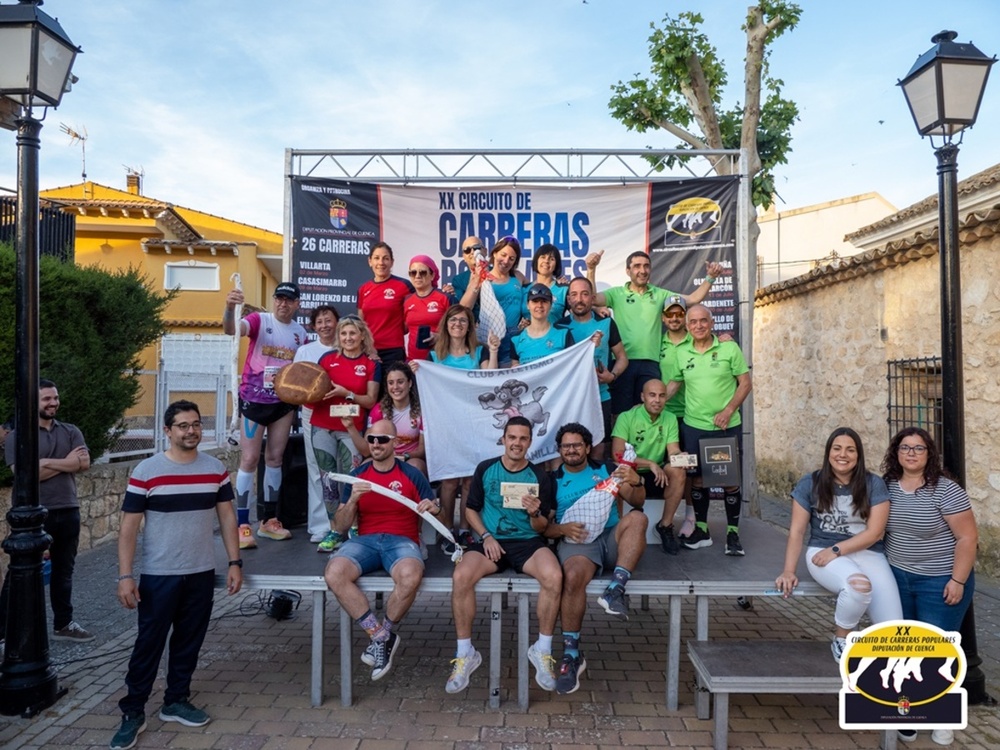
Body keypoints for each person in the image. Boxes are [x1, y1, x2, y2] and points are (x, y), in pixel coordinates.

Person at [110, 400, 242, 750]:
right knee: (148, 645)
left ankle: (175, 700)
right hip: (159, 575)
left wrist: (234, 562)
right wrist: (125, 576)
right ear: (167, 431)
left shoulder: (215, 468)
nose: (191, 431)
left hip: (200, 572)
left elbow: (228, 517)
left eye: (196, 424)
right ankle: (133, 711)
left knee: (189, 642)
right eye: (182, 425)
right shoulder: (147, 471)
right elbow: (128, 528)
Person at [445, 417, 561, 694]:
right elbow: (471, 509)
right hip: (491, 543)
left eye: (523, 438)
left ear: (530, 442)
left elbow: (544, 527)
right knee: (461, 575)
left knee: (554, 576)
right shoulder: (486, 468)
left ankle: (541, 650)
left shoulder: (540, 477)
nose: (517, 443)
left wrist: (534, 513)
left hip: (527, 542)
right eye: (512, 437)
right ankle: (465, 654)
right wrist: (486, 536)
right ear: (504, 439)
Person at [881, 427, 978, 747]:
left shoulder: (945, 490)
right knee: (903, 652)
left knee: (936, 650)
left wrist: (958, 580)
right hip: (897, 577)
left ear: (929, 454)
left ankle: (942, 717)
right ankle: (907, 716)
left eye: (918, 448)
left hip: (940, 580)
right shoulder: (886, 487)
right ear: (896, 452)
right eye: (905, 447)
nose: (911, 453)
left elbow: (967, 538)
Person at [323, 419, 439, 682]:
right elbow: (340, 526)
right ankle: (380, 636)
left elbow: (436, 513)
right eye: (371, 439)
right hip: (365, 541)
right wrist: (352, 499)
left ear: (395, 443)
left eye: (382, 439)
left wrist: (436, 509)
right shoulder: (356, 476)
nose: (375, 444)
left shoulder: (412, 474)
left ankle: (383, 636)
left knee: (410, 575)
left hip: (402, 540)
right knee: (334, 573)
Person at [775, 427, 902, 662]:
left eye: (850, 450)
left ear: (858, 455)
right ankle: (842, 639)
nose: (843, 454)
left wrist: (838, 550)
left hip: (866, 553)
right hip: (822, 553)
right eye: (837, 448)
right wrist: (789, 571)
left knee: (894, 633)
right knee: (858, 586)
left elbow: (875, 533)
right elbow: (797, 530)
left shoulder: (873, 483)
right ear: (828, 452)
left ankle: (881, 680)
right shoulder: (810, 483)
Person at [545, 423, 647, 694]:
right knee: (574, 577)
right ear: (559, 450)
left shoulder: (605, 470)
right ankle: (571, 654)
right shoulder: (552, 480)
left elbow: (637, 501)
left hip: (610, 538)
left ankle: (615, 590)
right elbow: (544, 527)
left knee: (638, 519)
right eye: (566, 446)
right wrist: (563, 529)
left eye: (577, 445)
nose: (571, 450)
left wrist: (636, 481)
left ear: (588, 448)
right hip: (577, 543)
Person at [0, 380, 93, 643]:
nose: (53, 403)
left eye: (55, 397)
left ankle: (63, 624)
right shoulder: (18, 436)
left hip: (68, 509)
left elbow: (84, 463)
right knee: (19, 572)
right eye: (46, 399)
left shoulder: (70, 430)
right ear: (33, 403)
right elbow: (25, 474)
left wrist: (46, 463)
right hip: (32, 514)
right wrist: (67, 463)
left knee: (64, 571)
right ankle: (3, 632)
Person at [585, 249, 721, 415]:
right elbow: (590, 298)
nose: (642, 270)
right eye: (637, 266)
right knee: (620, 415)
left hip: (651, 364)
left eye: (646, 266)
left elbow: (693, 299)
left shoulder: (659, 294)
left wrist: (710, 277)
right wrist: (591, 269)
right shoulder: (616, 293)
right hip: (622, 363)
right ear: (628, 271)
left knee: (650, 413)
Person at [664, 303, 752, 555]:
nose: (698, 326)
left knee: (728, 482)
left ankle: (732, 535)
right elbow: (674, 384)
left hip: (725, 427)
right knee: (698, 479)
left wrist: (728, 411)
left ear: (712, 323)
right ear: (687, 326)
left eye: (703, 321)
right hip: (693, 427)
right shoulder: (682, 353)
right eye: (693, 322)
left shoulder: (728, 348)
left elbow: (745, 384)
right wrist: (654, 402)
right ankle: (702, 531)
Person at [224, 282, 307, 545]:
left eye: (288, 300)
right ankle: (242, 523)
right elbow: (231, 330)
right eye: (279, 298)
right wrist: (229, 307)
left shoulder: (300, 333)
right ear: (274, 301)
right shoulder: (260, 320)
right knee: (249, 459)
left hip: (282, 403)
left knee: (274, 459)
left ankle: (269, 521)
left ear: (297, 304)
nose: (283, 303)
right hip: (254, 400)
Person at [413, 304, 500, 550]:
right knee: (449, 481)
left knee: (470, 482)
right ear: (446, 325)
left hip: (474, 424)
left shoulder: (478, 353)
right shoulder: (434, 356)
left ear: (470, 326)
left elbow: (490, 380)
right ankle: (447, 530)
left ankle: (465, 531)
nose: (458, 325)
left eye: (463, 321)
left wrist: (493, 351)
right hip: (446, 425)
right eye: (453, 320)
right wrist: (418, 371)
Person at [309, 316, 381, 551]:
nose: (348, 338)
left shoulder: (371, 363)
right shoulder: (327, 359)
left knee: (352, 479)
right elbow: (313, 390)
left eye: (352, 333)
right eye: (344, 334)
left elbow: (370, 400)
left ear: (362, 336)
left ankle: (355, 526)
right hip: (322, 425)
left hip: (351, 427)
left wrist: (346, 393)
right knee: (328, 480)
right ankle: (334, 530)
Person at [610, 379, 686, 554]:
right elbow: (617, 454)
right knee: (617, 470)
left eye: (661, 396)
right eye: (652, 395)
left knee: (678, 470)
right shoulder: (626, 417)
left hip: (657, 474)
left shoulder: (670, 417)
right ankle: (619, 529)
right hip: (633, 472)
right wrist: (649, 463)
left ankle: (665, 525)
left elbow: (673, 450)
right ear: (642, 397)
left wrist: (680, 457)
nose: (657, 400)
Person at [561, 277, 628, 461]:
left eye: (584, 294)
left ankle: (597, 488)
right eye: (574, 294)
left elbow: (622, 357)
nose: (579, 299)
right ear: (568, 300)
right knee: (571, 449)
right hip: (571, 399)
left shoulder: (606, 323)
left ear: (592, 298)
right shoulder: (560, 326)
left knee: (598, 449)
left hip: (601, 396)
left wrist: (612, 376)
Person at [292, 305, 341, 549]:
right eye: (319, 321)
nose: (324, 325)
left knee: (343, 470)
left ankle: (343, 524)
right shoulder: (305, 351)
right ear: (313, 326)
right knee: (317, 469)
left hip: (343, 414)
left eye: (329, 320)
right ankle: (321, 525)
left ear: (337, 322)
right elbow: (295, 384)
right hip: (313, 413)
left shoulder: (347, 345)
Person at [659, 295, 694, 538]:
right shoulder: (656, 342)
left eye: (679, 314)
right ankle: (662, 517)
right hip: (661, 415)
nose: (674, 318)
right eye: (670, 314)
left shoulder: (697, 340)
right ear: (663, 318)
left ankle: (690, 515)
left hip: (689, 415)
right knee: (664, 467)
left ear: (685, 317)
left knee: (688, 468)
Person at [459, 236, 525, 367]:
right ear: (494, 253)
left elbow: (535, 293)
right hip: (489, 336)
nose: (506, 261)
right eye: (503, 255)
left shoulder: (518, 276)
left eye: (511, 259)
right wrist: (477, 279)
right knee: (489, 379)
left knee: (510, 380)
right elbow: (464, 307)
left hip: (514, 336)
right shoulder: (482, 275)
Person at [355, 362, 426, 475]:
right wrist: (350, 427)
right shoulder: (378, 410)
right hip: (383, 457)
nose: (395, 387)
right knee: (364, 467)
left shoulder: (422, 410)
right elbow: (366, 450)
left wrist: (405, 456)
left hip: (409, 458)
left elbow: (422, 449)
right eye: (391, 383)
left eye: (400, 382)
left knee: (416, 466)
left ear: (410, 383)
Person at [357, 241, 413, 366]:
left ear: (392, 262)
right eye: (376, 258)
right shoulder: (363, 289)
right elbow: (360, 323)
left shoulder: (404, 286)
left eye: (385, 258)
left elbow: (411, 318)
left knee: (393, 386)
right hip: (368, 350)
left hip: (393, 351)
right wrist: (366, 348)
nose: (381, 263)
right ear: (370, 261)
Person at [509, 283, 576, 367]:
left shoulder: (564, 334)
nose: (539, 305)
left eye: (544, 301)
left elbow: (573, 365)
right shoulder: (516, 339)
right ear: (527, 305)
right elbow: (515, 366)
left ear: (551, 305)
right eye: (535, 301)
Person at [403, 255, 453, 362]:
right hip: (414, 363)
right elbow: (403, 329)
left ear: (432, 275)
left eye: (423, 272)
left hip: (441, 360)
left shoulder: (445, 298)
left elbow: (460, 328)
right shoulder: (406, 301)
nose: (417, 276)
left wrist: (440, 337)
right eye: (413, 273)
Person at [521, 243, 569, 322]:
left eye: (551, 259)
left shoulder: (563, 290)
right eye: (543, 257)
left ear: (556, 265)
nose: (546, 261)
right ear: (536, 261)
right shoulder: (523, 289)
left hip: (555, 334)